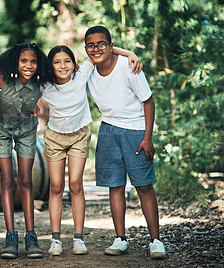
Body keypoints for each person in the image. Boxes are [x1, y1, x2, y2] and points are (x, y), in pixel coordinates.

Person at [39, 45, 142, 256]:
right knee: (56, 186)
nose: (62, 66)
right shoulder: (44, 85)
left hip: (79, 136)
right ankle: (56, 240)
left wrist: (129, 54)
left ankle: (78, 238)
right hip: (54, 138)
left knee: (76, 184)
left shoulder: (82, 75)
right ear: (50, 65)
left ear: (74, 64)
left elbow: (101, 53)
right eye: (57, 62)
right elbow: (22, 76)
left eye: (67, 61)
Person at [85, 26, 166, 259]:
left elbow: (148, 102)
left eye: (102, 44)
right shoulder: (89, 69)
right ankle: (120, 238)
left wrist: (147, 138)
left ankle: (155, 240)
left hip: (135, 130)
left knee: (143, 185)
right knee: (115, 185)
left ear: (111, 46)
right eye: (91, 45)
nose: (96, 49)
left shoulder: (129, 67)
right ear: (86, 49)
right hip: (108, 128)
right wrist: (127, 50)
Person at [0, 43, 51, 259]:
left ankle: (31, 236)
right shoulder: (2, 77)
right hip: (1, 130)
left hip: (26, 130)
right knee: (6, 180)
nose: (29, 65)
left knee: (26, 180)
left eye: (33, 61)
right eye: (24, 61)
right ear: (15, 61)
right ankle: (10, 236)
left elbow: (66, 70)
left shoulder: (40, 81)